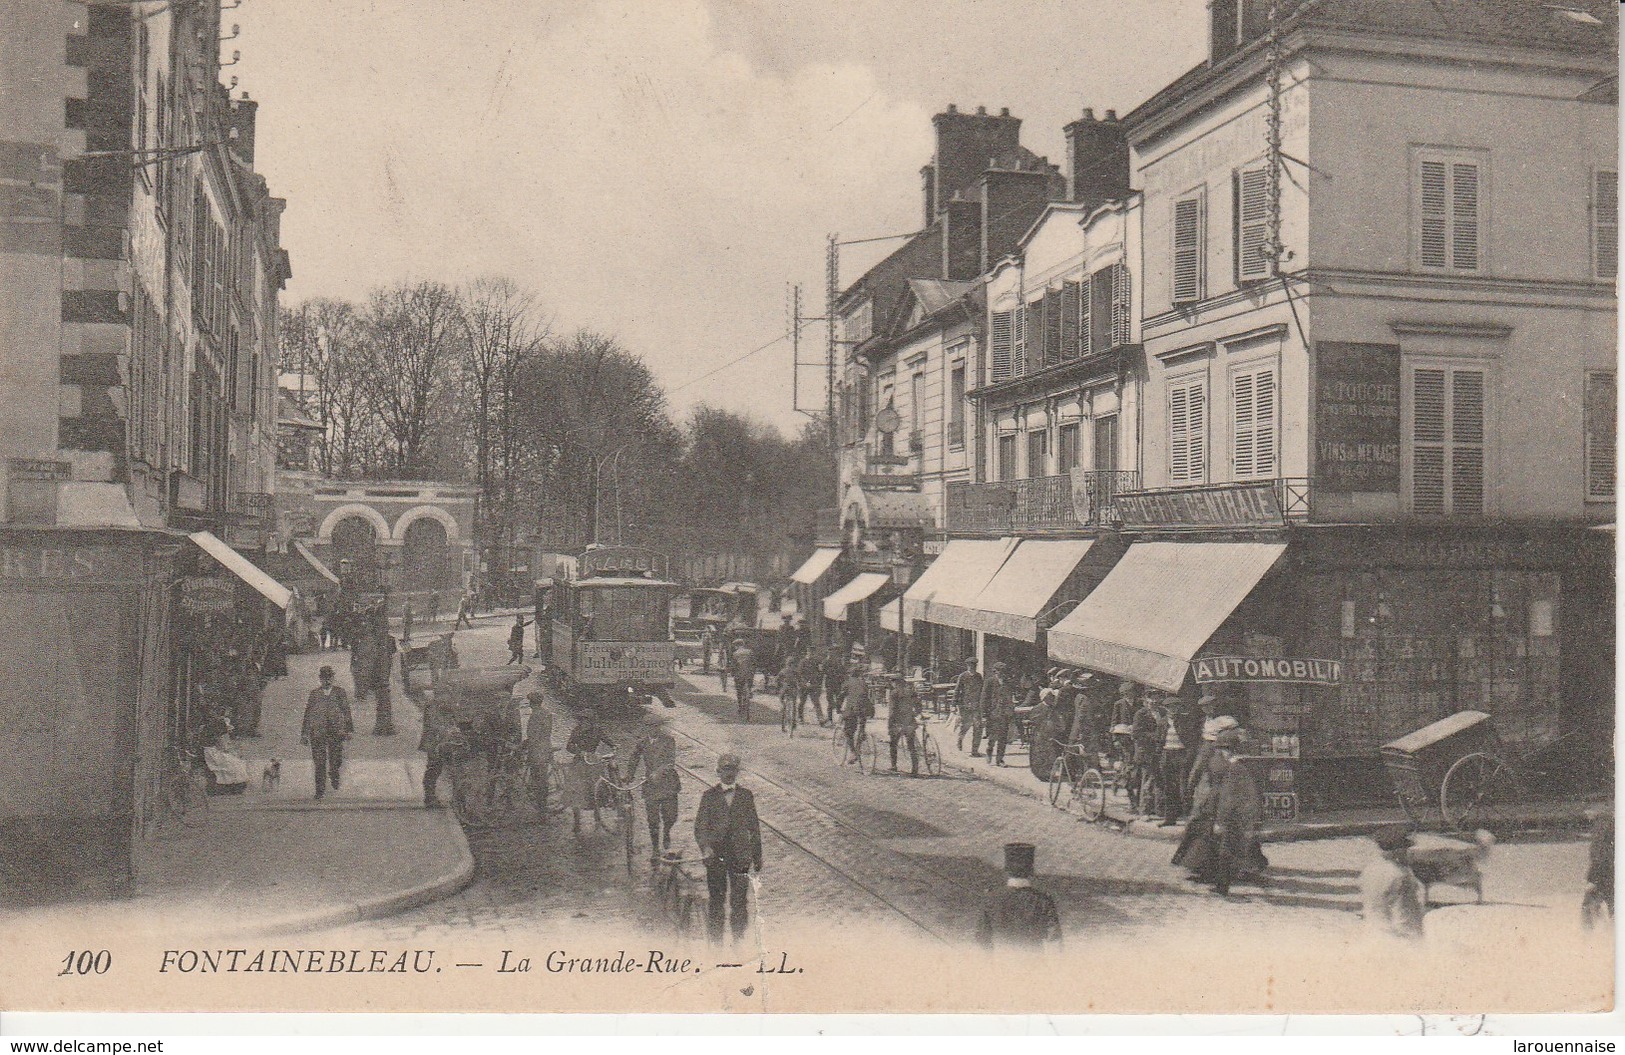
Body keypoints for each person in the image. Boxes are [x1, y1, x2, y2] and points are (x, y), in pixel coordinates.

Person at [694, 752, 763, 945]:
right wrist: (705, 848)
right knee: (716, 899)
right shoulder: (709, 797)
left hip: (740, 856)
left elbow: (754, 827)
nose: (729, 774)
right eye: (725, 770)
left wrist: (757, 857)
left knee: (740, 901)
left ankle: (738, 939)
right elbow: (700, 827)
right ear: (718, 772)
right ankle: (716, 942)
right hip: (716, 856)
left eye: (732, 770)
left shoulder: (746, 796)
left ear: (737, 772)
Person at [976, 842, 1062, 951]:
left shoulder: (991, 898)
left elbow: (982, 938)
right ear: (1031, 871)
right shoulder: (1043, 900)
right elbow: (1054, 940)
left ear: (1006, 870)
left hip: (1001, 962)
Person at [1209, 736, 1265, 897]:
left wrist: (1221, 820)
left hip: (1235, 817)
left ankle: (1222, 887)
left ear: (1226, 751)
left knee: (1226, 852)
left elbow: (1229, 799)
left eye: (1221, 750)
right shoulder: (1242, 767)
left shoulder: (1233, 769)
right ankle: (1224, 885)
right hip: (1242, 816)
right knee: (1231, 850)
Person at [1359, 826, 1425, 940]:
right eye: (1405, 848)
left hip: (1372, 932)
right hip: (1397, 938)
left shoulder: (1369, 869)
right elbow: (1404, 915)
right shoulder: (1400, 875)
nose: (1407, 852)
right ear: (1398, 850)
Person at [632, 714, 682, 864]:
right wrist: (629, 775)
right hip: (651, 787)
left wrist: (658, 772)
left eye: (655, 726)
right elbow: (634, 758)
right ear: (645, 728)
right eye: (649, 727)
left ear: (659, 727)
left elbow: (670, 761)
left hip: (668, 784)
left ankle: (666, 832)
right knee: (653, 820)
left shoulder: (668, 740)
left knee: (670, 816)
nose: (652, 730)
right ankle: (655, 848)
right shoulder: (642, 743)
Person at [301, 666, 354, 800]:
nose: (327, 681)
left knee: (336, 759)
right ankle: (320, 791)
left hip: (336, 731)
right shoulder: (314, 694)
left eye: (330, 678)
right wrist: (304, 733)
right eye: (324, 678)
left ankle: (334, 773)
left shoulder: (340, 692)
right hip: (318, 732)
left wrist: (349, 730)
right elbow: (307, 714)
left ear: (333, 678)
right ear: (320, 679)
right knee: (319, 762)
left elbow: (346, 711)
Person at [563, 717, 611, 834]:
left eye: (587, 721)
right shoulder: (577, 730)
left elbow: (606, 740)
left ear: (591, 722)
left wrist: (614, 745)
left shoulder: (597, 730)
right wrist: (579, 752)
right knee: (575, 790)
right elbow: (569, 746)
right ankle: (577, 822)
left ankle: (597, 817)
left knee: (596, 788)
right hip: (579, 762)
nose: (585, 723)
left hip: (593, 761)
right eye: (583, 720)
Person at [418, 680, 456, 808]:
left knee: (438, 769)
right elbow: (434, 724)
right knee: (433, 769)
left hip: (439, 742)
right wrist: (448, 730)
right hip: (433, 743)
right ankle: (429, 798)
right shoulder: (433, 706)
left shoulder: (441, 705)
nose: (448, 698)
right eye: (446, 695)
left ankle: (432, 797)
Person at [1158, 696, 1190, 826]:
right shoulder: (1162, 722)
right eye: (1170, 708)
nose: (1173, 710)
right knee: (1169, 788)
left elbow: (1190, 739)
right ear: (1166, 709)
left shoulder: (1184, 720)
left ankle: (1188, 818)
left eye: (1175, 707)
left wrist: (1187, 755)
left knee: (1183, 787)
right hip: (1167, 754)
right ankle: (1170, 818)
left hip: (1181, 754)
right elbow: (1158, 740)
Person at [523, 691, 553, 814]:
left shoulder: (536, 715)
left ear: (532, 703)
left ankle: (542, 808)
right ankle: (540, 805)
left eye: (530, 702)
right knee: (540, 777)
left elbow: (535, 735)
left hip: (537, 750)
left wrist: (523, 744)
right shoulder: (546, 713)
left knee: (539, 778)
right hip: (544, 748)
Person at [888, 675, 922, 776]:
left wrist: (890, 725)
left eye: (893, 682)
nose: (892, 684)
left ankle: (894, 766)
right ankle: (915, 769)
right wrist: (916, 714)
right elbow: (918, 705)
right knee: (911, 745)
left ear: (896, 683)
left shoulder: (894, 693)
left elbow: (892, 711)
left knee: (893, 744)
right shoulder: (911, 691)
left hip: (898, 723)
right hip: (910, 722)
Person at [982, 662, 1015, 767]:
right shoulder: (990, 682)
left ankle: (1000, 759)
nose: (1002, 673)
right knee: (993, 735)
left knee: (1003, 737)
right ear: (995, 671)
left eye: (1004, 672)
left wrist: (1011, 709)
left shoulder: (1008, 682)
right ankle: (989, 749)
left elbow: (1010, 697)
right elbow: (984, 698)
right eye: (1000, 671)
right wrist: (984, 713)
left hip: (1004, 713)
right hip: (993, 712)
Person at [840, 662, 872, 762]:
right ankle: (861, 739)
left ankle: (853, 752)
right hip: (865, 708)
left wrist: (837, 708)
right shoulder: (863, 683)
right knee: (861, 728)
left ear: (850, 674)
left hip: (852, 709)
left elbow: (840, 697)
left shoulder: (847, 683)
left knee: (848, 731)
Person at [954, 658, 985, 755]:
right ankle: (960, 739)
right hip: (965, 705)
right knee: (965, 725)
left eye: (974, 666)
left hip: (976, 705)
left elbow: (982, 691)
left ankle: (974, 750)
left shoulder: (979, 677)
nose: (972, 668)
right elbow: (957, 690)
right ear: (967, 666)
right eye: (970, 666)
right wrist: (953, 704)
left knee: (978, 727)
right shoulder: (963, 676)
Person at [798, 648, 826, 726]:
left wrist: (818, 683)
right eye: (810, 652)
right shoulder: (802, 662)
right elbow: (800, 674)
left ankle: (821, 719)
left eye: (813, 652)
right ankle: (800, 717)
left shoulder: (816, 662)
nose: (811, 654)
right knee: (802, 702)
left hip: (813, 685)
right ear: (807, 653)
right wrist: (805, 682)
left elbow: (820, 673)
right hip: (804, 686)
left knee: (816, 702)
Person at [730, 638, 755, 721]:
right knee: (749, 684)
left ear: (737, 646)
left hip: (739, 675)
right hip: (749, 675)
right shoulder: (750, 652)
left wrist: (732, 673)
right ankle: (749, 691)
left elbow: (734, 666)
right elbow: (754, 663)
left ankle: (740, 706)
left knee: (739, 690)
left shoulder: (735, 653)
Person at [778, 652, 799, 732]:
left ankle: (783, 726)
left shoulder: (783, 671)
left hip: (784, 690)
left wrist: (778, 685)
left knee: (783, 706)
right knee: (793, 705)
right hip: (793, 690)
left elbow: (777, 680)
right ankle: (793, 723)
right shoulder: (795, 672)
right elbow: (800, 680)